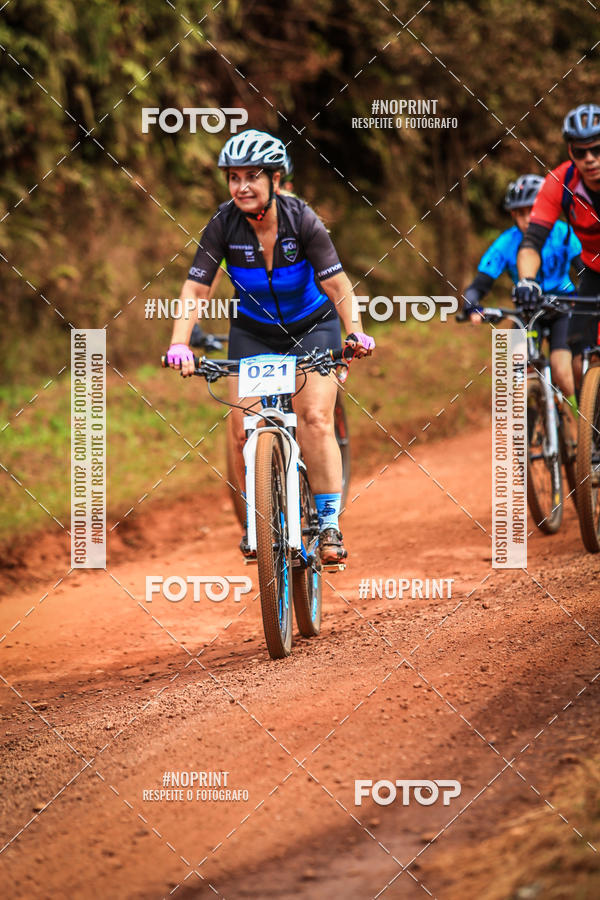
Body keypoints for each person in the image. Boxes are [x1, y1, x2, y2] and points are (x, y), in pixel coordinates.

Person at [166, 129, 375, 564]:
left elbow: (337, 285)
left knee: (315, 416)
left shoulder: (303, 221)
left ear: (276, 180)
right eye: (234, 177)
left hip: (312, 327)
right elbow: (196, 290)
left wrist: (353, 332)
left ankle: (330, 521)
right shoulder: (223, 224)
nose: (242, 186)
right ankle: (256, 519)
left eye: (253, 176)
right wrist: (180, 344)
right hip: (254, 331)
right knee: (244, 427)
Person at [463, 173, 582, 404]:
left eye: (533, 210)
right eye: (521, 212)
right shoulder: (506, 243)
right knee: (513, 376)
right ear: (512, 214)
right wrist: (472, 305)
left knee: (561, 370)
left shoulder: (563, 233)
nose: (528, 218)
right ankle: (531, 421)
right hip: (526, 311)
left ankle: (581, 427)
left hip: (563, 307)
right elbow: (480, 284)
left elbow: (584, 270)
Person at [517, 104, 600, 394]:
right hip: (594, 271)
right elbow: (531, 243)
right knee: (579, 363)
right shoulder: (560, 183)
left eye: (596, 149)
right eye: (580, 152)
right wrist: (526, 280)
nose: (590, 159)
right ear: (570, 151)